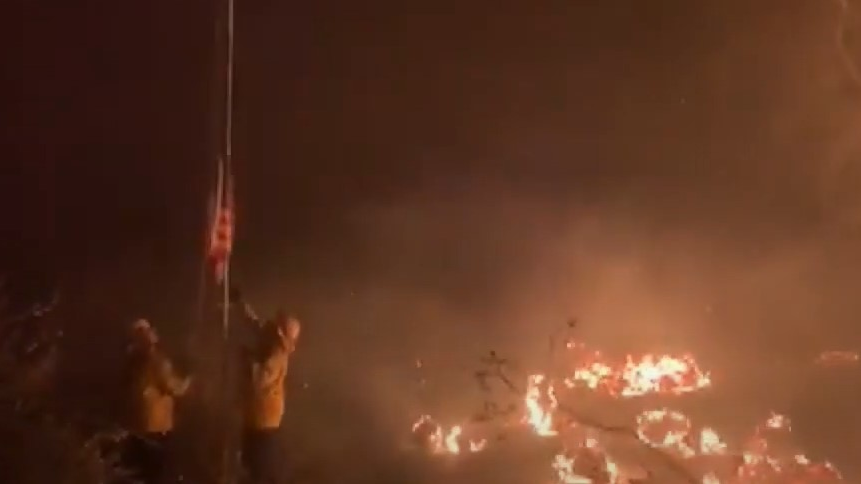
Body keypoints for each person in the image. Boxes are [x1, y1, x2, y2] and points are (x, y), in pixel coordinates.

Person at [123, 318, 191, 484]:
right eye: (148, 331)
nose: (153, 333)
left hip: (136, 427)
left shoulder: (132, 362)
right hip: (156, 429)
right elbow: (174, 388)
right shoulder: (157, 361)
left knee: (137, 475)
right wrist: (189, 380)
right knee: (155, 475)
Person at [239, 309, 300, 484]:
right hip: (257, 420)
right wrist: (241, 306)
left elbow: (259, 380)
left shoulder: (276, 355)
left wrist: (246, 359)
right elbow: (256, 326)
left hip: (263, 423)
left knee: (260, 472)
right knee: (256, 469)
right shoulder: (271, 343)